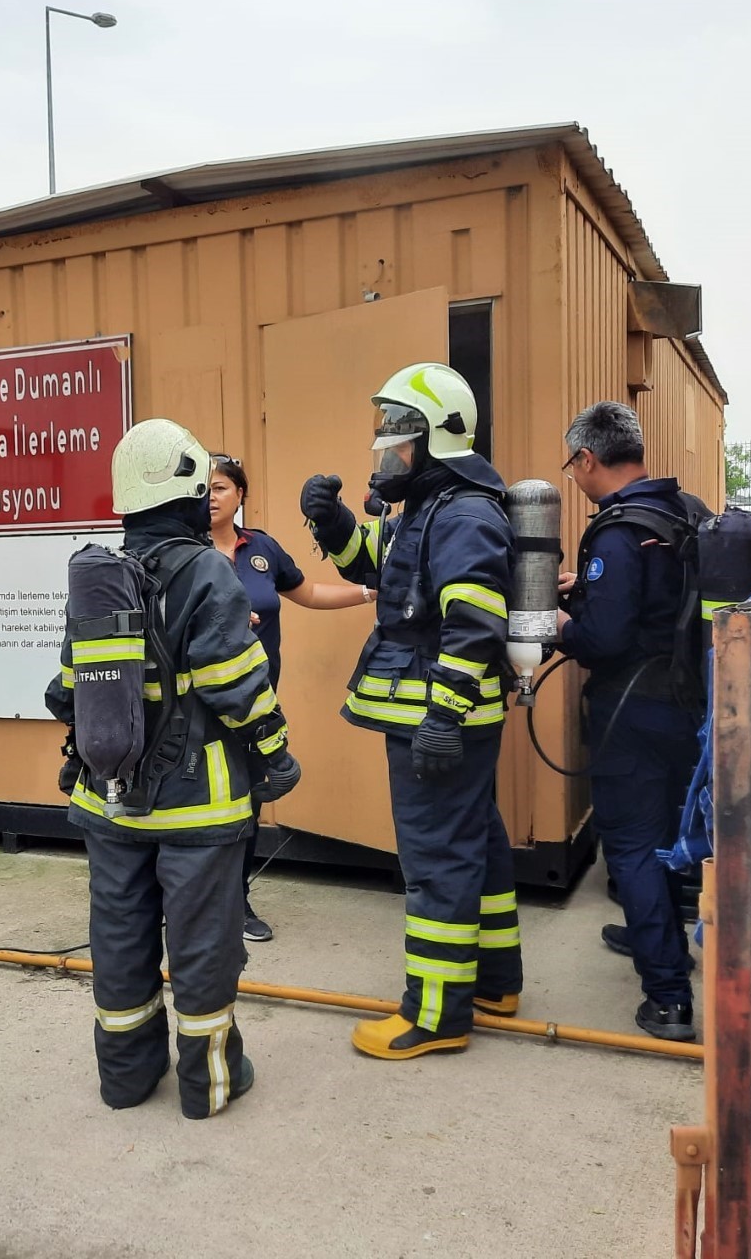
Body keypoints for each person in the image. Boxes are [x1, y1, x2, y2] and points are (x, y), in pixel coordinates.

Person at [45, 418, 301, 1118]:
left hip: (107, 802)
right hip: (200, 808)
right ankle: (208, 1085)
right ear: (191, 495)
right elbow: (236, 684)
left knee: (120, 937)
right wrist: (278, 756)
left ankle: (125, 1080)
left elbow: (63, 691)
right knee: (203, 947)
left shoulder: (97, 575)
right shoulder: (206, 570)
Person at [299, 362, 522, 1061]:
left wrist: (444, 717)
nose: (387, 454)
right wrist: (333, 524)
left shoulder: (459, 512)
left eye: (398, 440)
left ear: (434, 440)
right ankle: (493, 982)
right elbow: (383, 569)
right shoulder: (429, 510)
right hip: (440, 714)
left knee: (436, 860)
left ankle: (435, 1014)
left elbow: (476, 620)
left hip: (438, 718)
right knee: (474, 844)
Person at [556, 400, 699, 1042]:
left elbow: (605, 640)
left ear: (588, 458)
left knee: (633, 846)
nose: (575, 476)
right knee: (666, 836)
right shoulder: (684, 512)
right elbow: (658, 606)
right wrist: (583, 590)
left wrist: (564, 624)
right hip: (685, 703)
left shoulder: (615, 531)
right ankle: (663, 937)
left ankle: (667, 998)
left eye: (573, 465)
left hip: (631, 710)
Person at [208, 453, 373, 942]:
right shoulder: (183, 550)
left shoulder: (261, 548)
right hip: (197, 705)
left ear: (240, 495)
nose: (210, 497)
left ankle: (236, 901)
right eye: (203, 488)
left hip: (257, 702)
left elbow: (308, 593)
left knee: (248, 801)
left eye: (219, 487)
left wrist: (371, 592)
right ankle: (186, 900)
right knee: (199, 804)